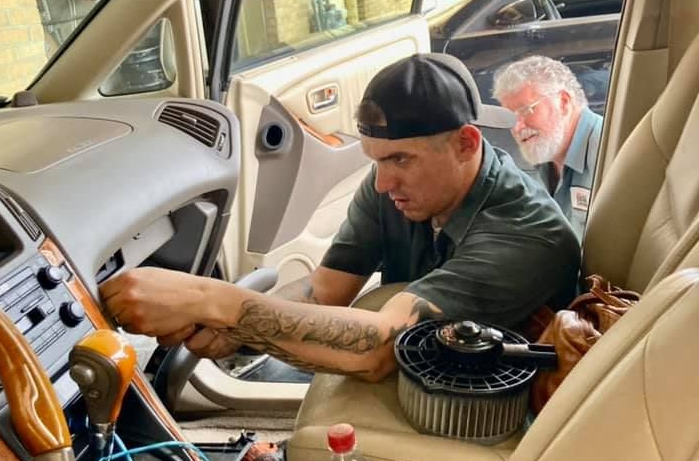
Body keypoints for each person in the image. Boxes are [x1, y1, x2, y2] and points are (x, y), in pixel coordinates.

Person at [100, 53, 580, 382]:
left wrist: (212, 299)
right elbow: (324, 289)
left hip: (493, 405)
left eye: (400, 160)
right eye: (374, 160)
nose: (381, 182)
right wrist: (232, 332)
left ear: (466, 144)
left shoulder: (529, 232)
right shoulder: (394, 190)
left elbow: (375, 349)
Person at [492, 55, 603, 239]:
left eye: (526, 110)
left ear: (564, 102)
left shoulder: (606, 151)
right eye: (510, 116)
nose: (517, 127)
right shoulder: (545, 154)